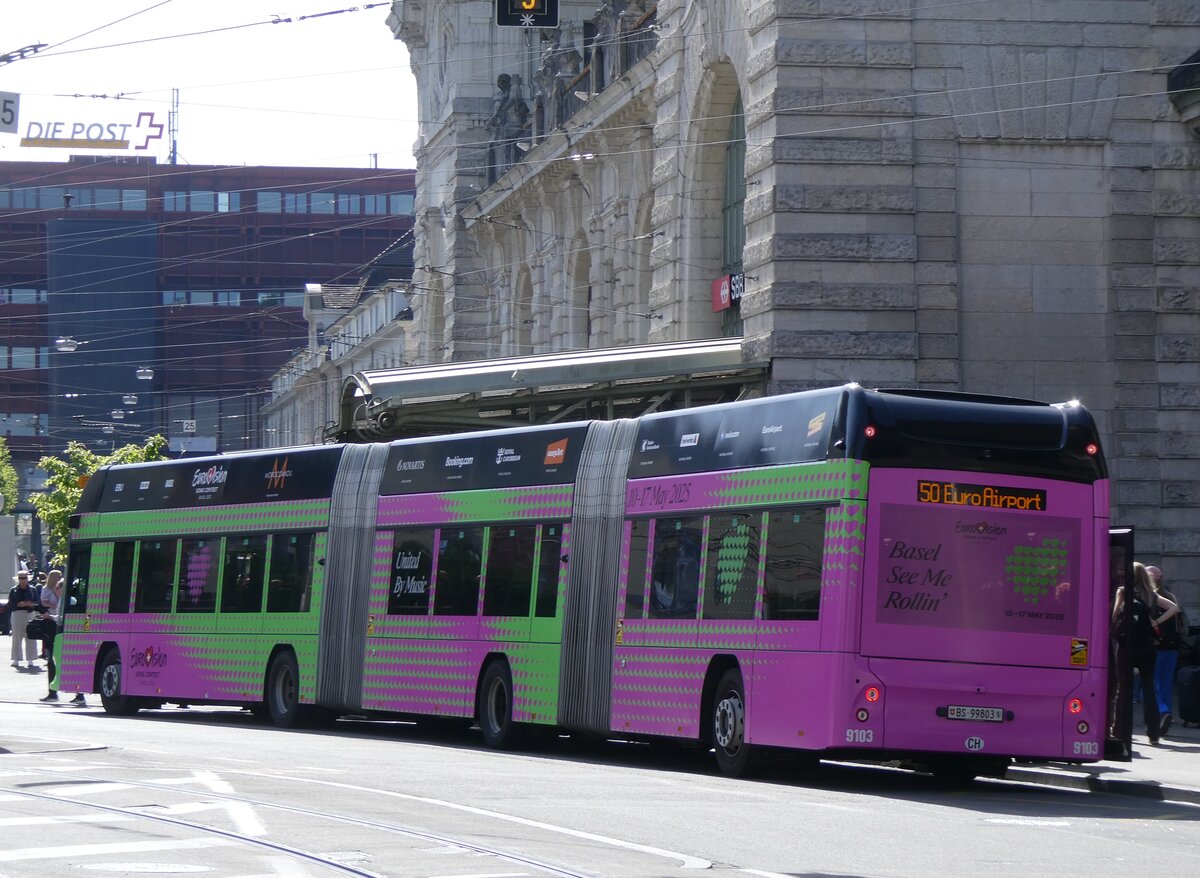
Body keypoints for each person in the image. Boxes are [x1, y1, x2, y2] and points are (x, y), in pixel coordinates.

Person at [1114, 562, 1178, 744]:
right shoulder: (1151, 595)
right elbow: (1174, 608)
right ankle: (1153, 733)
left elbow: (1114, 617)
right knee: (1149, 688)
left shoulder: (1122, 591)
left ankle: (1119, 729)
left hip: (1127, 645)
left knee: (1122, 687)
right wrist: (1155, 622)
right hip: (1147, 646)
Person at [1148, 565, 1182, 737]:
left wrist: (1156, 622)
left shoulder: (1151, 597)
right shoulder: (1171, 596)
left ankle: (1160, 713)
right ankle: (1166, 711)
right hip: (1172, 646)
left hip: (1156, 646)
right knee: (1166, 682)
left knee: (1152, 682)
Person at [8, 570, 40, 669]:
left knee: (30, 636)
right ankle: (16, 659)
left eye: (24, 578)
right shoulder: (13, 590)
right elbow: (10, 604)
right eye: (21, 578)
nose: (23, 580)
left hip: (29, 613)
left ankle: (30, 659)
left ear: (27, 578)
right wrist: (18, 604)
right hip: (17, 613)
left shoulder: (32, 589)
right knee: (17, 636)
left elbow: (37, 602)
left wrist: (31, 604)